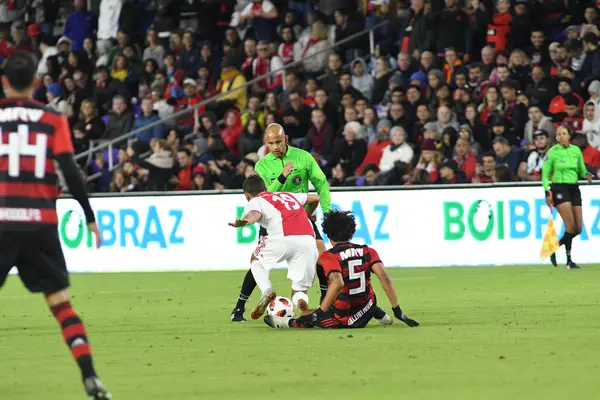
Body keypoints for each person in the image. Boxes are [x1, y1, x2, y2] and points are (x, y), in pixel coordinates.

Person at [0, 51, 110, 399]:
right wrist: (88, 216)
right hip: (41, 223)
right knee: (61, 304)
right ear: (35, 81)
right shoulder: (52, 118)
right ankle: (90, 377)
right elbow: (71, 172)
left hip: (2, 220)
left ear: (4, 81)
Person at [230, 123, 332, 322]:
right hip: (273, 219)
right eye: (270, 143)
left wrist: (326, 212)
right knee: (260, 263)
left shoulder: (303, 157)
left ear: (286, 139)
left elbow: (321, 184)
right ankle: (239, 307)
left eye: (278, 142)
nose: (275, 147)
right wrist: (283, 175)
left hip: (299, 216)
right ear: (265, 143)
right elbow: (267, 195)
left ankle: (326, 304)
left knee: (322, 257)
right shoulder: (262, 165)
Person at [264, 210, 419, 330]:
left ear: (328, 234)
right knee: (365, 295)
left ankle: (284, 322)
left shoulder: (329, 256)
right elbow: (384, 278)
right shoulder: (368, 251)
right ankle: (379, 313)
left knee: (307, 317)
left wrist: (320, 313)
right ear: (351, 231)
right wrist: (397, 310)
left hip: (345, 318)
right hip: (367, 307)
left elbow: (337, 282)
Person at [228, 175, 320, 320]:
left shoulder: (256, 201)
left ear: (247, 195)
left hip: (282, 237)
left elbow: (254, 214)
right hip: (308, 240)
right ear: (265, 188)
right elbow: (315, 198)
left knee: (256, 260)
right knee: (299, 288)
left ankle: (267, 290)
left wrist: (246, 221)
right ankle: (301, 304)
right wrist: (306, 214)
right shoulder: (287, 195)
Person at [542, 126, 594, 269]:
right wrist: (547, 192)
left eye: (564, 133)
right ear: (556, 138)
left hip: (574, 188)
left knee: (578, 229)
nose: (561, 136)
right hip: (559, 188)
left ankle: (554, 248)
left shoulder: (576, 150)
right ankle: (569, 261)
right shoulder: (552, 153)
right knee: (570, 227)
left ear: (569, 136)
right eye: (559, 134)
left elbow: (581, 169)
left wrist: (587, 175)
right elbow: (545, 175)